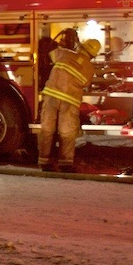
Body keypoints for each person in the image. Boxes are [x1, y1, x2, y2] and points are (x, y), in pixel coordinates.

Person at [37, 38, 100, 172]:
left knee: (47, 129)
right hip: (70, 101)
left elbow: (50, 54)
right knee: (67, 132)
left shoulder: (64, 53)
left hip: (51, 97)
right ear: (92, 55)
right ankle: (65, 164)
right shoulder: (89, 68)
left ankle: (44, 162)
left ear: (80, 47)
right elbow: (85, 83)